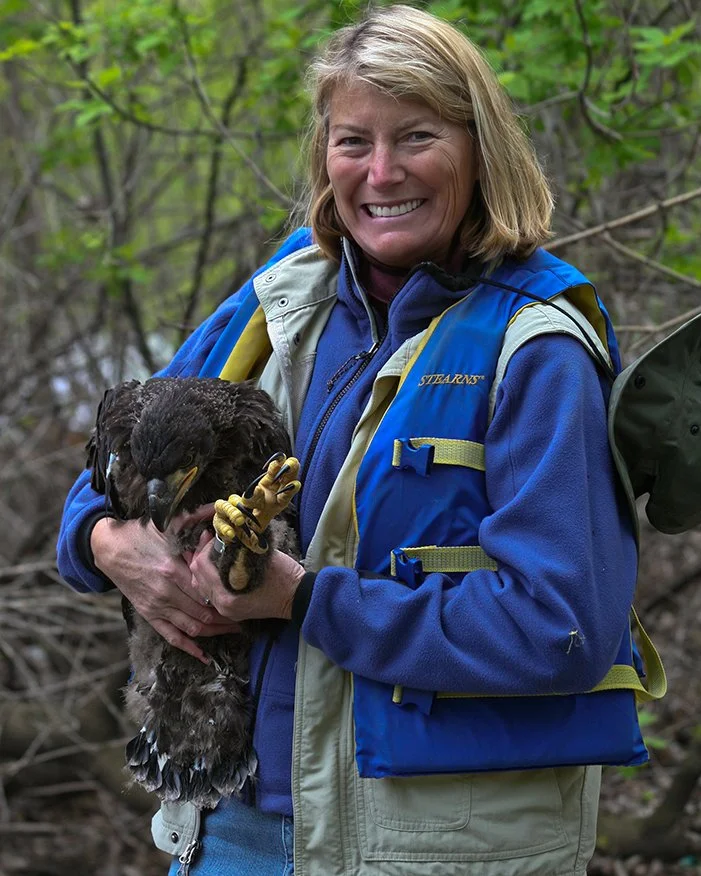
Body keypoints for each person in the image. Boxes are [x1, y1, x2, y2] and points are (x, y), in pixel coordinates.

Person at [57, 6, 645, 875]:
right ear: (323, 157)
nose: (380, 172)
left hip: (435, 849)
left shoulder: (539, 348)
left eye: (416, 137)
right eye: (351, 141)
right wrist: (110, 544)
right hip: (235, 826)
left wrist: (304, 601)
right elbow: (105, 481)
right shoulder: (278, 299)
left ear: (481, 149)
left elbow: (559, 627)